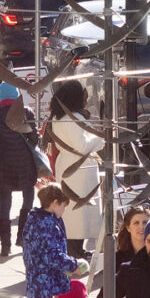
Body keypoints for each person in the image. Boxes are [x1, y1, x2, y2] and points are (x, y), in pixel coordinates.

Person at [46, 79, 101, 258]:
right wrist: (100, 138)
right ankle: (74, 250)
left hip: (69, 166)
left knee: (71, 212)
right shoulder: (73, 118)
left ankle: (75, 248)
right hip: (79, 169)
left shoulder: (58, 116)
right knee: (79, 212)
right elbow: (82, 146)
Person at [0, 87, 42, 255]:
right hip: (25, 163)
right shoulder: (27, 112)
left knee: (5, 203)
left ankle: (5, 246)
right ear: (17, 96)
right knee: (28, 198)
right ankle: (21, 237)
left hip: (4, 163)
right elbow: (34, 138)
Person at [22, 184, 80, 298]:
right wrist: (73, 265)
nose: (64, 210)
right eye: (63, 206)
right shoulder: (47, 223)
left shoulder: (35, 219)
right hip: (44, 281)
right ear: (55, 203)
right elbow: (52, 254)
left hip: (38, 278)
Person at [116, 205, 149, 274]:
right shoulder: (118, 258)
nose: (141, 226)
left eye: (145, 222)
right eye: (136, 223)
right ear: (128, 228)